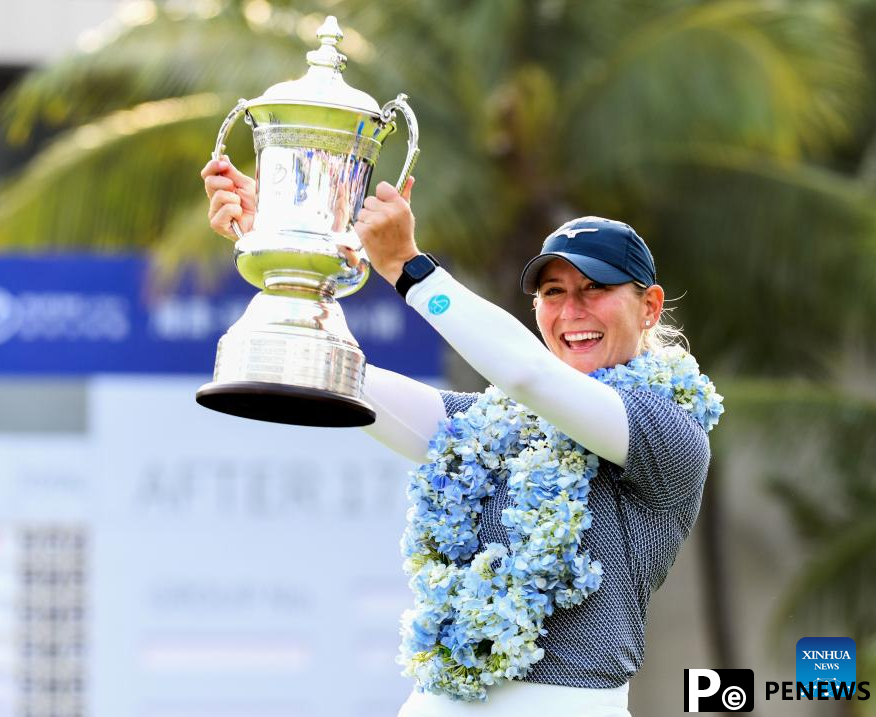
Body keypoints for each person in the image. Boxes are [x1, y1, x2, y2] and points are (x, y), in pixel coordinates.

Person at [202, 158, 723, 716]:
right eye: (552, 291)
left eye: (594, 288)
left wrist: (408, 267)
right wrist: (292, 251)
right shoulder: (488, 427)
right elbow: (338, 376)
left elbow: (530, 375)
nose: (571, 311)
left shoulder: (668, 429)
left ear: (650, 306)